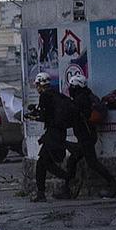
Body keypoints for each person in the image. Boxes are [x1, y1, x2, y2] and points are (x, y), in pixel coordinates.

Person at [63, 75, 116, 197]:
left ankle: (113, 183)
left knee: (92, 162)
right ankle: (67, 189)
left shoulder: (80, 100)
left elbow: (73, 116)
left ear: (76, 87)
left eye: (72, 86)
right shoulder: (85, 96)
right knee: (73, 160)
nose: (70, 89)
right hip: (87, 135)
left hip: (86, 137)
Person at [27, 73, 74, 203]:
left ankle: (67, 179)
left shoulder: (45, 96)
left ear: (39, 85)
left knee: (42, 163)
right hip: (58, 131)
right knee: (44, 162)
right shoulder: (56, 94)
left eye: (36, 85)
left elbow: (45, 116)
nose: (36, 88)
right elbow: (49, 113)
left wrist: (32, 116)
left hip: (52, 134)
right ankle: (66, 180)